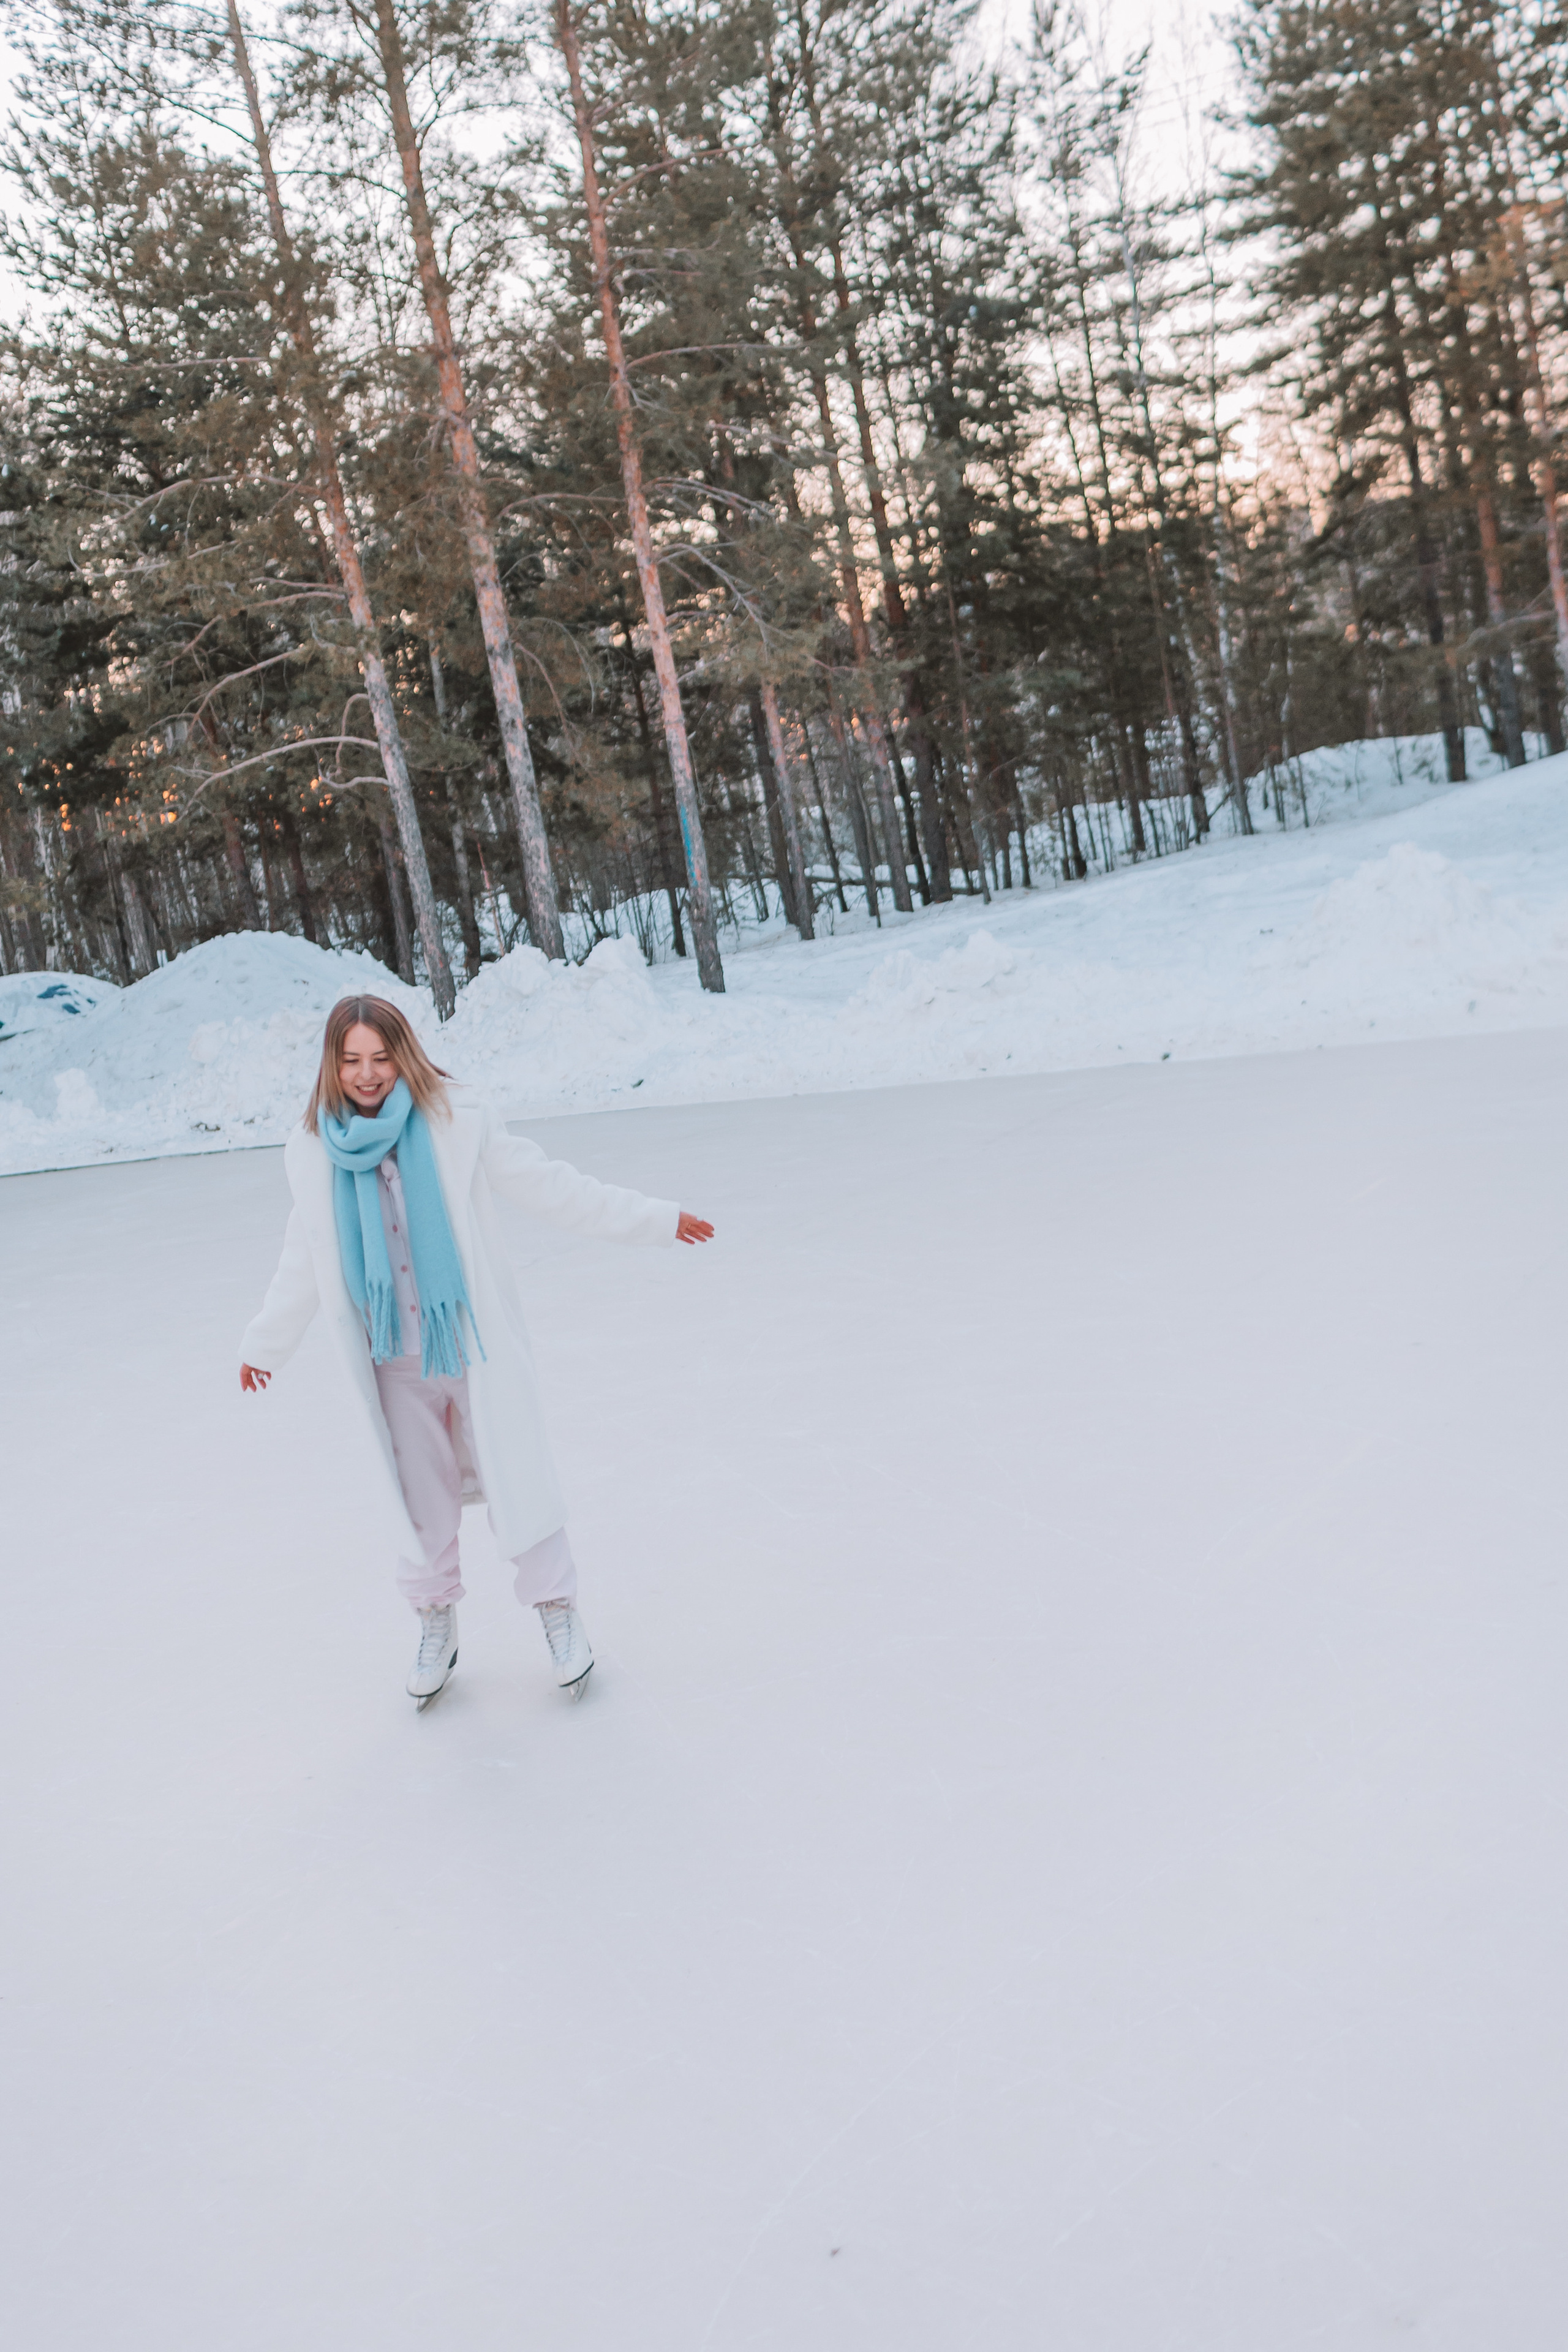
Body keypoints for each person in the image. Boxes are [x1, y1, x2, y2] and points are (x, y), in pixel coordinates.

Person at [240, 994, 712, 1709]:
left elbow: (556, 1189)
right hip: (392, 1360)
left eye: (381, 1057)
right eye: (352, 1061)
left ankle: (559, 1616)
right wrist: (265, 1345)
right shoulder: (313, 1154)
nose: (368, 1075)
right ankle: (436, 1622)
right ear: (332, 1069)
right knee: (419, 1504)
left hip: (468, 1346)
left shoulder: (458, 1122)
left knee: (519, 1483)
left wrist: (656, 1220)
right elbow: (302, 1262)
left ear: (404, 1054)